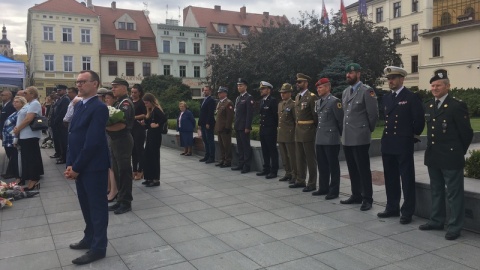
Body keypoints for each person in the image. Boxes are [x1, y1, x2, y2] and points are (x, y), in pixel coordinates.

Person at [419, 70, 473, 240]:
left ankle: (455, 226)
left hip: (451, 157)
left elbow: (467, 133)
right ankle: (436, 220)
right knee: (436, 190)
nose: (435, 88)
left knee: (454, 193)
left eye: (439, 85)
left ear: (448, 86)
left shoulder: (457, 105)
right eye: (433, 85)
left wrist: (458, 152)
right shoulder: (428, 105)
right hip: (434, 156)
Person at [65, 70, 110, 265]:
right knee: (85, 204)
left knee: (97, 207)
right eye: (77, 82)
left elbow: (92, 142)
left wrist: (77, 166)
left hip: (93, 167)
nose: (79, 85)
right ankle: (89, 236)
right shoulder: (80, 105)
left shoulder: (99, 108)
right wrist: (69, 164)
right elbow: (72, 135)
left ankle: (98, 247)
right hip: (80, 165)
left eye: (83, 82)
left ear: (95, 84)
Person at [378, 66, 425, 224]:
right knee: (390, 178)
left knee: (406, 179)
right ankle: (392, 207)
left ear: (402, 79)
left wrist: (410, 138)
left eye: (393, 78)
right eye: (389, 79)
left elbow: (419, 121)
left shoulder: (411, 97)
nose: (390, 81)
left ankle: (407, 211)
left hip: (403, 143)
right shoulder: (386, 98)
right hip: (388, 143)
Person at [340, 63, 379, 211]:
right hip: (348, 136)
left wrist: (367, 130)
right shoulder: (345, 92)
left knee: (363, 168)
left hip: (360, 136)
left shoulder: (366, 91)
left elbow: (373, 114)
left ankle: (367, 198)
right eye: (347, 73)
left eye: (351, 73)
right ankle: (356, 194)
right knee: (352, 168)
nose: (348, 75)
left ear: (358, 74)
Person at [106, 78, 134, 215]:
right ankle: (120, 199)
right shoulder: (119, 102)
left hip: (122, 140)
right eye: (112, 87)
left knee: (124, 172)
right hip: (115, 140)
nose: (113, 89)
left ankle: (126, 202)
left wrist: (104, 127)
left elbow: (122, 124)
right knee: (117, 172)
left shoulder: (126, 103)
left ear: (124, 88)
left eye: (115, 87)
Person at [313, 78, 344, 199]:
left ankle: (334, 190)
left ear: (327, 87)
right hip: (320, 137)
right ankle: (323, 187)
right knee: (322, 165)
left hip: (331, 139)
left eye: (320, 87)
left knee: (333, 166)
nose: (318, 90)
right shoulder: (318, 102)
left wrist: (340, 136)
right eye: (317, 88)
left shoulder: (334, 101)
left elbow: (340, 121)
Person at [289, 73, 318, 192]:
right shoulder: (297, 97)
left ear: (306, 83)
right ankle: (300, 180)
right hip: (298, 130)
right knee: (299, 157)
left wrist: (313, 130)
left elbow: (315, 116)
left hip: (308, 131)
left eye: (300, 82)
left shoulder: (312, 97)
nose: (297, 84)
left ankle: (312, 183)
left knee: (310, 158)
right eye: (297, 82)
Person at [13, 86, 44, 191]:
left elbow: (28, 119)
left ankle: (34, 180)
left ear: (32, 94)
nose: (24, 95)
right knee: (28, 158)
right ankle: (31, 179)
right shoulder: (29, 104)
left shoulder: (35, 103)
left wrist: (17, 129)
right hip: (25, 135)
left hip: (30, 135)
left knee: (32, 159)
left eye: (26, 93)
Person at [141, 93, 167, 187]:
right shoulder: (151, 111)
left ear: (151, 101)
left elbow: (164, 118)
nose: (146, 105)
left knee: (154, 157)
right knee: (148, 156)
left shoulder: (156, 110)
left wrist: (157, 125)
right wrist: (145, 124)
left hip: (155, 136)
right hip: (150, 135)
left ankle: (155, 179)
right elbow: (149, 125)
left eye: (147, 103)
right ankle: (149, 177)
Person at [257, 81, 279, 179]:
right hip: (263, 129)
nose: (261, 91)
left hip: (270, 130)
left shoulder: (273, 101)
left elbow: (275, 116)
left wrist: (273, 128)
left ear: (268, 90)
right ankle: (266, 168)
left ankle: (274, 171)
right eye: (261, 89)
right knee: (265, 150)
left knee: (272, 151)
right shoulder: (262, 101)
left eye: (263, 89)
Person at [232, 78, 254, 173]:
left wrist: (247, 127)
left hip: (244, 126)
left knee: (245, 146)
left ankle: (247, 165)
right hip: (238, 125)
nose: (239, 87)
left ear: (245, 86)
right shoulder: (238, 98)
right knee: (240, 146)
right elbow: (236, 113)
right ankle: (241, 163)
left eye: (241, 85)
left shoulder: (249, 98)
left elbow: (249, 114)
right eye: (238, 85)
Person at [2, 96, 27, 183]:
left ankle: (19, 177)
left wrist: (15, 139)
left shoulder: (21, 113)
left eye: (17, 102)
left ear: (22, 103)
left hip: (13, 140)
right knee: (12, 159)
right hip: (7, 140)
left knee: (16, 159)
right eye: (14, 102)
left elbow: (18, 127)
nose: (14, 103)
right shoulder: (15, 112)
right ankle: (17, 175)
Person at [277, 83, 297, 184]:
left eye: (284, 93)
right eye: (281, 93)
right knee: (284, 155)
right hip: (281, 134)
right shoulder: (280, 104)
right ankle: (288, 173)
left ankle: (294, 175)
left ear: (290, 93)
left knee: (292, 156)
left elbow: (295, 121)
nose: (282, 94)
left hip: (290, 134)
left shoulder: (293, 104)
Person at [214, 86, 234, 168]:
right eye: (218, 92)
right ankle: (222, 159)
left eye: (221, 92)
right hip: (219, 127)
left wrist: (227, 127)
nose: (219, 94)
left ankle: (228, 160)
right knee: (221, 145)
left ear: (225, 93)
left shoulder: (228, 103)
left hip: (225, 129)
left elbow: (229, 117)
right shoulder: (219, 103)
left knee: (226, 145)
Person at [131, 84, 147, 180]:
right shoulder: (129, 101)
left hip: (139, 129)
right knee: (133, 151)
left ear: (139, 93)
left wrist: (135, 117)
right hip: (131, 129)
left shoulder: (142, 102)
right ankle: (134, 170)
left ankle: (141, 170)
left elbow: (146, 114)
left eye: (135, 92)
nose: (133, 94)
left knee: (139, 150)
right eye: (132, 92)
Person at [51, 85, 70, 164]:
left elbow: (62, 112)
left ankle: (64, 157)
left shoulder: (65, 99)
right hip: (57, 124)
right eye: (58, 91)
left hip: (62, 124)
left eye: (60, 90)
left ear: (65, 91)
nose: (58, 92)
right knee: (59, 141)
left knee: (63, 141)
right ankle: (60, 155)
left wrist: (56, 120)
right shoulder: (60, 99)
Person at [198, 86, 216, 164]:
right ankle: (207, 155)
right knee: (205, 140)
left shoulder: (211, 100)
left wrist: (208, 123)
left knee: (210, 141)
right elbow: (201, 113)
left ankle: (212, 157)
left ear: (210, 91)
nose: (205, 92)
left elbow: (210, 113)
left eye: (206, 90)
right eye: (204, 90)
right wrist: (199, 123)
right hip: (202, 124)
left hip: (208, 124)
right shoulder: (203, 100)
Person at [1, 90, 16, 178]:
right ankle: (10, 171)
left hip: (9, 133)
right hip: (5, 132)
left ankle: (12, 172)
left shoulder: (10, 106)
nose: (1, 96)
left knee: (11, 153)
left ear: (9, 96)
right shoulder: (5, 105)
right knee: (8, 152)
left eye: (3, 95)